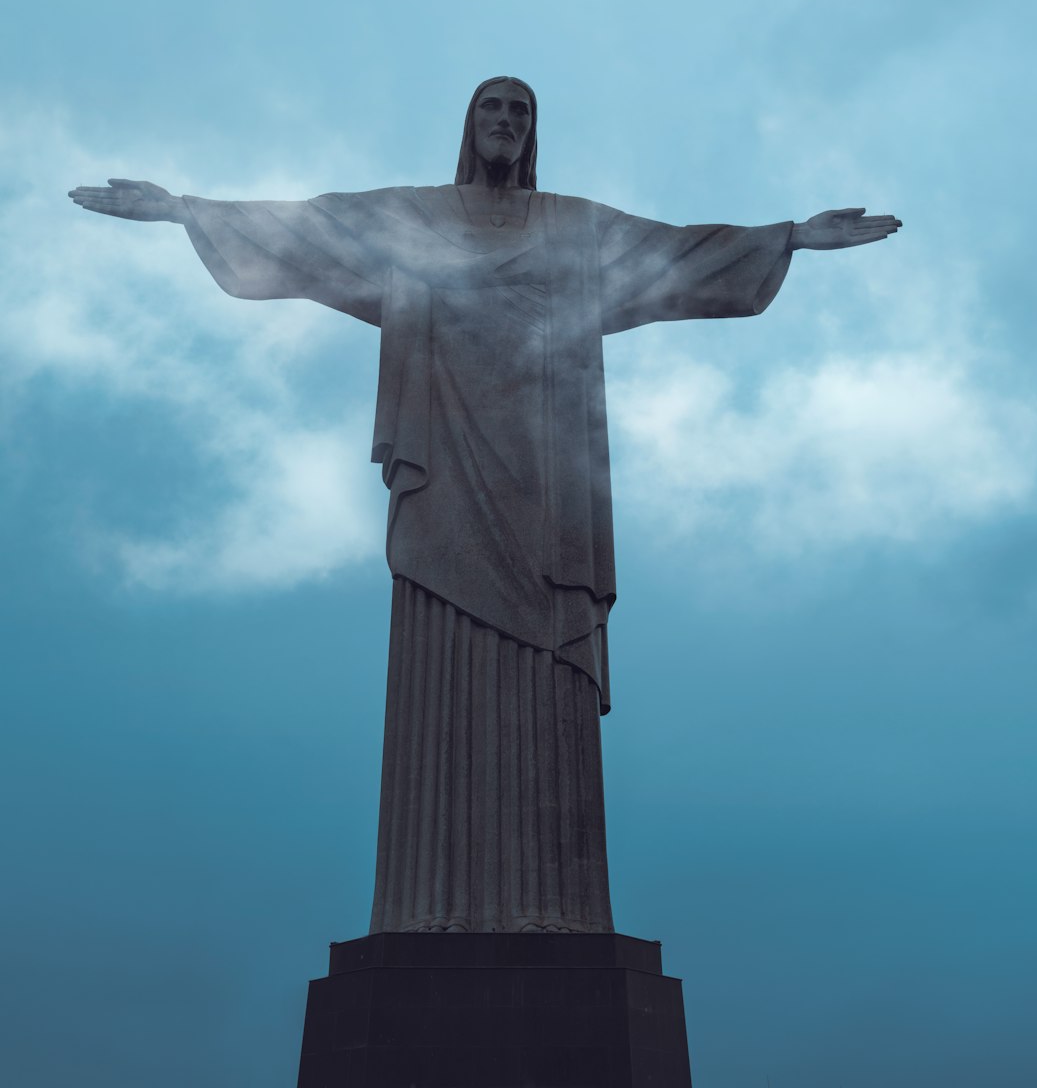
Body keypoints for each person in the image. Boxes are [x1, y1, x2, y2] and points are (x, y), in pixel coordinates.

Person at [69, 76, 901, 934]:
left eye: (521, 110)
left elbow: (674, 254)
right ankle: (423, 905)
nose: (505, 121)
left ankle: (558, 907)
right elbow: (309, 228)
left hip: (547, 472)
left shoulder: (575, 226)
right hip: (446, 461)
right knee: (440, 652)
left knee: (547, 663)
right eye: (491, 108)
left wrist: (790, 236)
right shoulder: (414, 217)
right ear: (469, 124)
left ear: (534, 130)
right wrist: (182, 210)